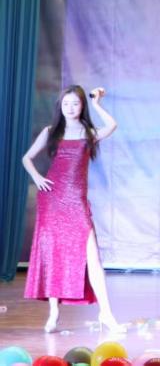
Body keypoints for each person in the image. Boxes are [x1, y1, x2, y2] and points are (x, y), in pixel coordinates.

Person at [22, 86, 122, 333]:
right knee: (54, 254)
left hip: (76, 201)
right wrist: (37, 177)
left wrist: (97, 104)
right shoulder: (51, 132)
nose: (70, 108)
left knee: (93, 258)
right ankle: (54, 312)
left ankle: (106, 313)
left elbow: (112, 125)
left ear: (82, 106)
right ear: (60, 106)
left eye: (75, 103)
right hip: (53, 200)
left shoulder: (89, 133)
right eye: (66, 103)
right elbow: (26, 158)